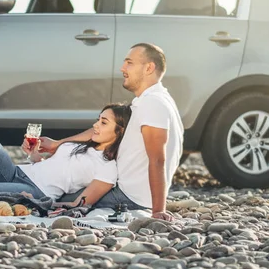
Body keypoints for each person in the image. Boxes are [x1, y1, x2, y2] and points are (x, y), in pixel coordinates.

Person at [40, 43, 184, 221]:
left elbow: (157, 158)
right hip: (124, 190)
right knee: (52, 186)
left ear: (149, 68)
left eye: (129, 63)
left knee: (45, 194)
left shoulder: (152, 103)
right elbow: (102, 129)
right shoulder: (151, 100)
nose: (122, 68)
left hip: (128, 197)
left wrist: (157, 211)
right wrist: (58, 144)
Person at [0, 103, 132, 207]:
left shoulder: (108, 168)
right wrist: (33, 156)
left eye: (104, 122)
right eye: (98, 119)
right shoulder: (84, 144)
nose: (96, 125)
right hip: (16, 173)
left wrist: (39, 203)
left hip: (34, 192)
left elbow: (80, 204)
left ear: (120, 131)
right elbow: (50, 167)